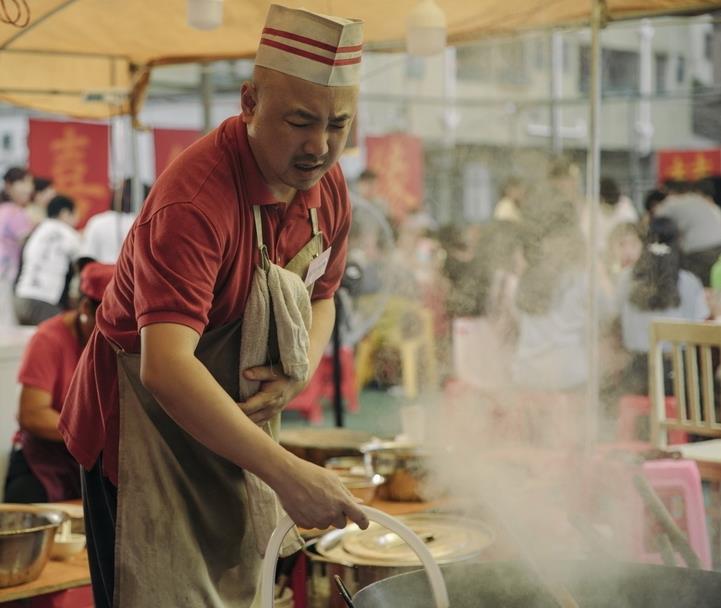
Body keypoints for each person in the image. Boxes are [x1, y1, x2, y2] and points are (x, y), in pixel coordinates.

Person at [59, 6, 368, 607]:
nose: (319, 147)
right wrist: (286, 471)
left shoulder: (326, 187)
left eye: (338, 125)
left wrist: (295, 373)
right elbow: (166, 367)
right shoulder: (195, 201)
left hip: (231, 433)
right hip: (141, 438)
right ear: (249, 102)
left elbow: (324, 295)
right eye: (299, 121)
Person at [4, 262, 114, 503]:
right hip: (43, 462)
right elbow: (32, 414)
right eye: (107, 318)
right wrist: (97, 436)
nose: (114, 330)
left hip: (94, 461)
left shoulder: (121, 345)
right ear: (85, 307)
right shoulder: (48, 339)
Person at [615, 216, 709, 394]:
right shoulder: (689, 282)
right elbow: (699, 328)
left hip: (636, 378)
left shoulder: (625, 279)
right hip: (677, 381)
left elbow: (616, 315)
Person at [14, 195, 81, 325]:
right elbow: (84, 263)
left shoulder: (38, 230)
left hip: (21, 297)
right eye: (74, 215)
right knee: (60, 335)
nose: (76, 220)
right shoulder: (68, 233)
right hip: (44, 300)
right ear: (65, 213)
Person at [656, 178, 721, 286]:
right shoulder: (698, 199)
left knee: (698, 284)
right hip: (718, 247)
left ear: (670, 191)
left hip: (699, 251)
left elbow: (657, 221)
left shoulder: (671, 202)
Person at [78, 178, 140, 263]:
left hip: (102, 273)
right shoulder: (138, 223)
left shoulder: (97, 221)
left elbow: (87, 257)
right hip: (127, 274)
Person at [0, 172, 34, 325]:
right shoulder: (14, 211)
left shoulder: (5, 209)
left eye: (30, 183)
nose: (29, 188)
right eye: (24, 182)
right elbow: (28, 240)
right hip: (5, 274)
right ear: (9, 185)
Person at [581, 176, 638, 256]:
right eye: (608, 206)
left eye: (614, 206)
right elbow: (585, 236)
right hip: (598, 255)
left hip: (622, 253)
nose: (612, 209)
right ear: (601, 200)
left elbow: (633, 233)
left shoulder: (625, 205)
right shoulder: (591, 209)